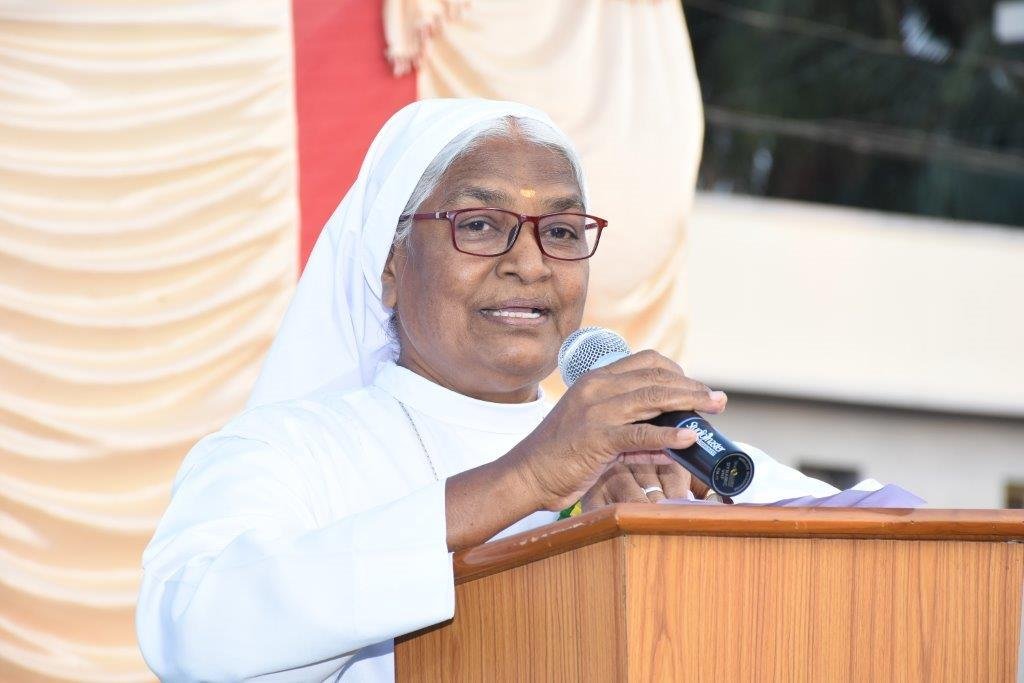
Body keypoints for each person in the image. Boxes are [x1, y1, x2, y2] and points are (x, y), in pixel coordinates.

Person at [136, 98, 837, 681]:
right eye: (479, 225)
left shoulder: (664, 450)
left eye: (560, 230)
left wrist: (703, 533)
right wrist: (527, 478)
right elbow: (192, 633)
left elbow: (876, 538)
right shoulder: (289, 450)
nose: (529, 263)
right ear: (389, 264)